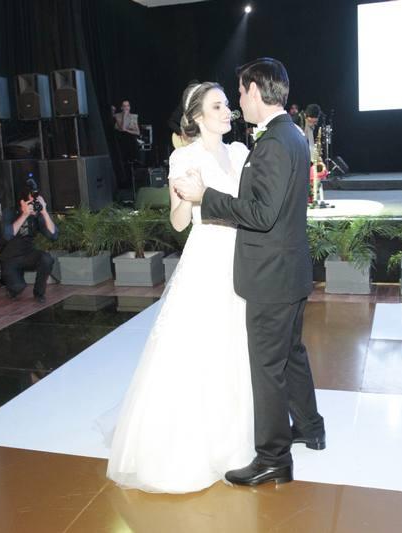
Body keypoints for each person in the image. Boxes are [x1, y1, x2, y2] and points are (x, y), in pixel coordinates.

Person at [174, 57, 326, 487]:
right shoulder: (290, 134)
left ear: (255, 91)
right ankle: (310, 428)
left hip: (270, 275)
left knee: (268, 368)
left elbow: (261, 214)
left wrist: (206, 197)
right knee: (291, 354)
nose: (237, 102)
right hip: (287, 269)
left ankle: (273, 458)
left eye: (239, 93)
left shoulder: (274, 142)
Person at [106, 82, 254, 493]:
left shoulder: (240, 153)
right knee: (200, 349)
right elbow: (178, 223)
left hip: (242, 256)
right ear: (197, 116)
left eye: (227, 104)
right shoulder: (183, 157)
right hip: (207, 260)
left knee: (238, 346)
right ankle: (192, 448)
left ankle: (236, 441)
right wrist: (187, 196)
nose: (227, 111)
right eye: (217, 106)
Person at [0, 183, 58, 303]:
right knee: (18, 288)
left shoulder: (36, 215)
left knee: (47, 259)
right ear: (22, 201)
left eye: (34, 201)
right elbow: (7, 235)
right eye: (30, 201)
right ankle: (10, 283)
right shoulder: (9, 212)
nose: (33, 203)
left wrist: (44, 212)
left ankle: (39, 293)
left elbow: (53, 235)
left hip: (28, 255)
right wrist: (24, 215)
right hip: (10, 258)